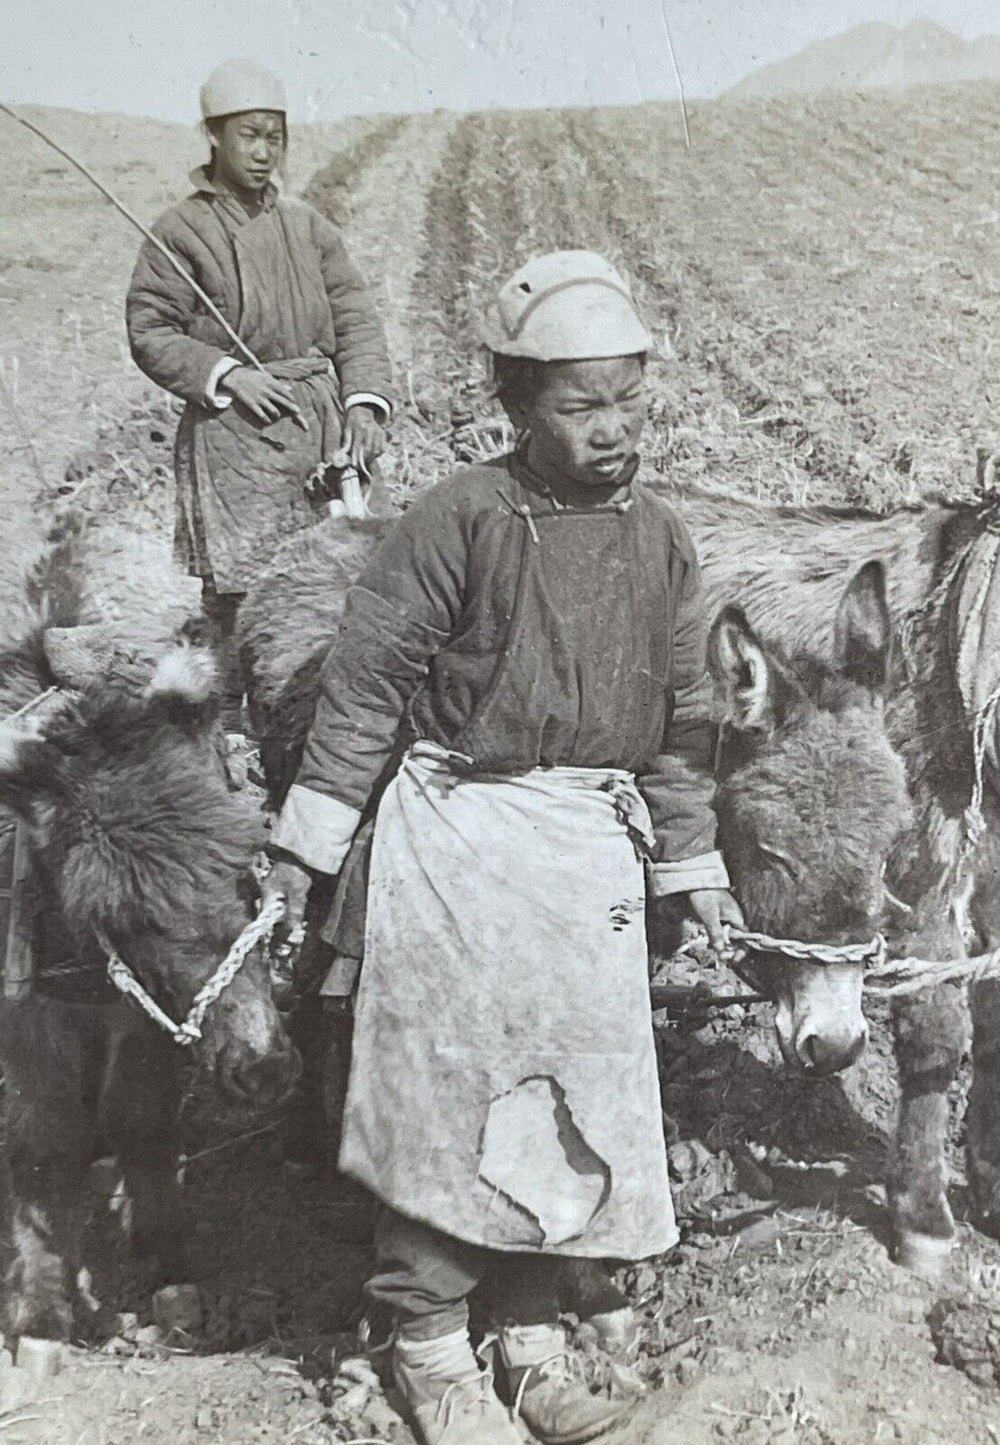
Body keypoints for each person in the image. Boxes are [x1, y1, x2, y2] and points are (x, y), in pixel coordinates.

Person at [261, 250, 744, 1445]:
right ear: (516, 404)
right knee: (446, 1096)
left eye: (629, 401)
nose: (613, 430)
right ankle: (426, 1348)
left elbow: (686, 724)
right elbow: (365, 684)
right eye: (581, 408)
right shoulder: (460, 519)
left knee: (565, 1100)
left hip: (586, 850)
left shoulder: (662, 541)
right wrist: (308, 844)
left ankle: (526, 1334)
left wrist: (692, 863)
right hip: (458, 838)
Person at [125, 58, 397, 727]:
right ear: (214, 136)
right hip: (234, 437)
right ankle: (228, 725)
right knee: (241, 588)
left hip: (318, 427)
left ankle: (327, 712)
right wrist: (228, 374)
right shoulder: (180, 232)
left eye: (275, 136)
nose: (263, 151)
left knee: (344, 570)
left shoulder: (307, 227)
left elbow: (356, 314)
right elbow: (150, 328)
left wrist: (363, 402)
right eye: (249, 135)